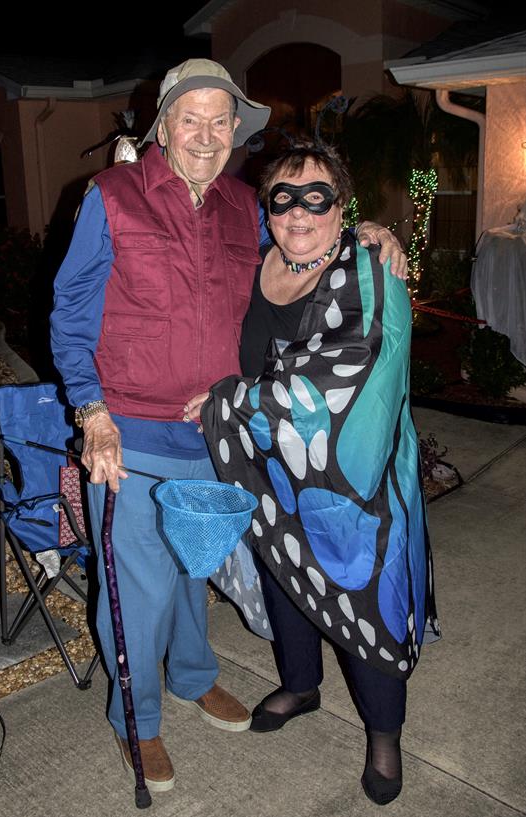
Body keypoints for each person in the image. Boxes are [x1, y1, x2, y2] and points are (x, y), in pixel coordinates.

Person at [50, 59, 407, 793]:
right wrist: (92, 414)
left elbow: (305, 234)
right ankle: (136, 719)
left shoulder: (244, 204)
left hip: (216, 436)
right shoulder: (111, 197)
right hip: (134, 433)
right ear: (164, 127)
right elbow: (69, 313)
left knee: (193, 572)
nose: (208, 135)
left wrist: (368, 226)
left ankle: (192, 675)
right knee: (138, 588)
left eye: (222, 121)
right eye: (192, 118)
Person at [189, 141, 440, 806]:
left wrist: (230, 402)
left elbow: (352, 373)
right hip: (272, 476)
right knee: (282, 575)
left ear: (340, 204)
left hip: (353, 487)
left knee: (364, 600)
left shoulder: (370, 271)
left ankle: (384, 735)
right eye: (283, 196)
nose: (298, 211)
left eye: (316, 197)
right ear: (264, 206)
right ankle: (300, 684)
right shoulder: (256, 258)